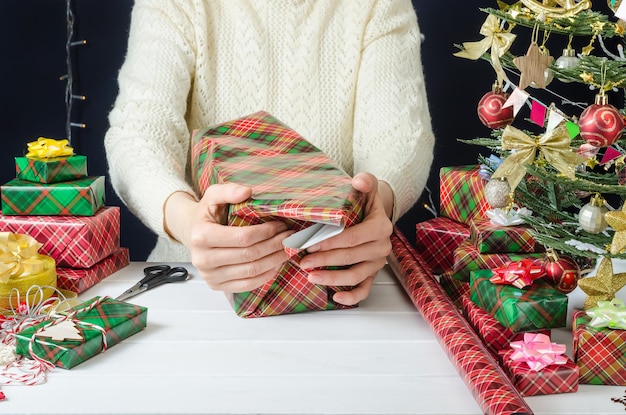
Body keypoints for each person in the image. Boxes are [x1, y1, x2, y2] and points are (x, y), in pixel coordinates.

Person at [104, 0, 435, 307]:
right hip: (194, 283)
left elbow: (401, 137)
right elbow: (139, 133)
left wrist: (379, 204)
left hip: (336, 281)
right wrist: (189, 222)